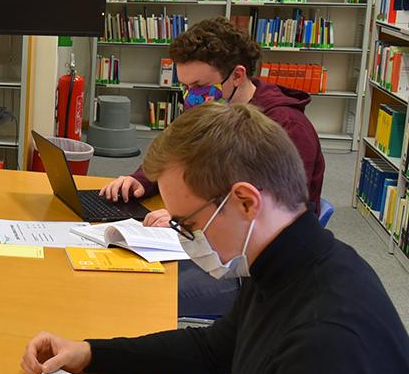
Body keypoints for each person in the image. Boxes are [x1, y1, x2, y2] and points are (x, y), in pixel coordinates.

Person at [11, 102, 409, 374]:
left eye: (187, 224)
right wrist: (88, 352)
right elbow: (209, 348)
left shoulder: (326, 342)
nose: (186, 239)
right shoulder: (286, 261)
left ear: (245, 202)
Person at [98, 17, 325, 317]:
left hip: (249, 268)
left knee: (144, 295)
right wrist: (142, 180)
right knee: (116, 267)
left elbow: (271, 217)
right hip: (204, 237)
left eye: (199, 86)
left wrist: (188, 216)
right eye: (185, 87)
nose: (192, 96)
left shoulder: (287, 128)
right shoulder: (213, 107)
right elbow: (177, 151)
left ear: (237, 75)